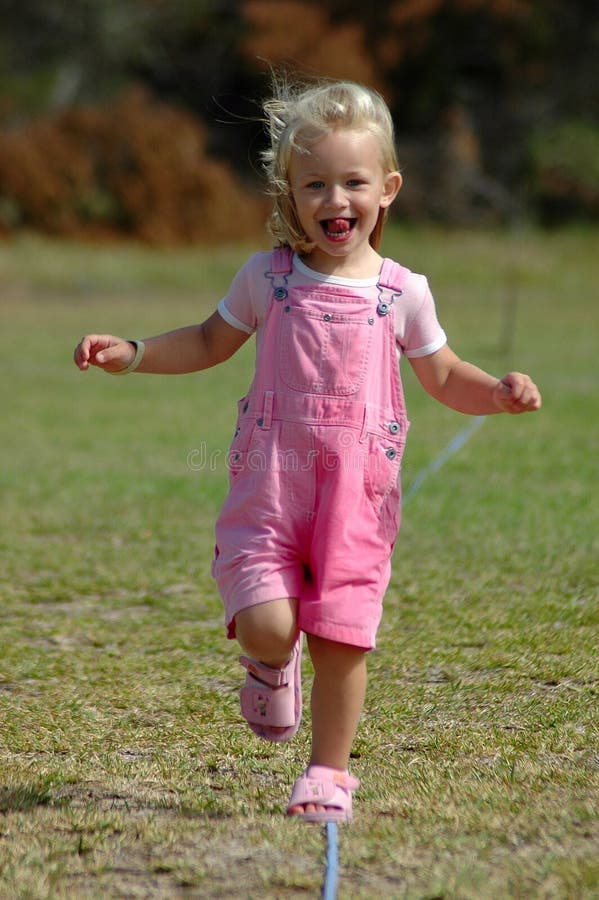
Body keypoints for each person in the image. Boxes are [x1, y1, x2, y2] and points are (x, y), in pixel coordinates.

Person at [74, 78, 541, 824]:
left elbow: (444, 374)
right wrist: (131, 351)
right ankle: (269, 660)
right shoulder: (267, 279)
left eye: (353, 182)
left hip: (356, 499)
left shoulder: (402, 292)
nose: (334, 200)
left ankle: (326, 773)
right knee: (268, 621)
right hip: (271, 489)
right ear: (288, 192)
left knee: (342, 638)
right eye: (314, 183)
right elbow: (204, 341)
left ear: (386, 189)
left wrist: (495, 394)